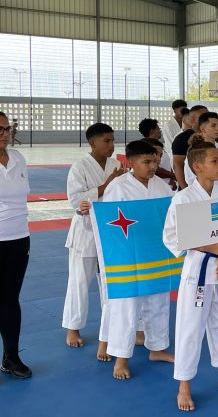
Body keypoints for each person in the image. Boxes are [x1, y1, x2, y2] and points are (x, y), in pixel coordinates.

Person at [163, 135, 218, 411]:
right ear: (197, 167)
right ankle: (184, 387)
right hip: (197, 276)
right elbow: (171, 238)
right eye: (215, 161)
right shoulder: (183, 199)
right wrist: (206, 246)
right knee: (190, 329)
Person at [100, 140, 174, 380]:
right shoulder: (118, 187)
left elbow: (172, 217)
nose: (152, 166)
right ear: (131, 162)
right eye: (146, 162)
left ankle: (157, 348)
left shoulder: (162, 187)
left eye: (155, 161)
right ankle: (121, 358)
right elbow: (109, 223)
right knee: (127, 306)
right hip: (128, 256)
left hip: (156, 253)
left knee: (159, 301)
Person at [62, 123, 127, 357]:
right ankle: (73, 328)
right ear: (93, 143)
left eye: (113, 140)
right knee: (79, 281)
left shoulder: (116, 165)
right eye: (107, 141)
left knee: (109, 284)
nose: (112, 145)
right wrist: (107, 184)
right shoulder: (79, 167)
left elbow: (121, 195)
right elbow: (75, 200)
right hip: (86, 232)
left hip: (111, 230)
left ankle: (109, 331)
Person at [0, 111, 32, 378]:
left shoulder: (18, 158)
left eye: (7, 128)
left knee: (10, 299)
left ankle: (11, 357)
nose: (5, 133)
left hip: (19, 238)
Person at [171, 105, 208, 189]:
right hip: (190, 187)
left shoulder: (213, 136)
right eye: (203, 116)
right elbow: (178, 165)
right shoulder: (182, 139)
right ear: (193, 120)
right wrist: (185, 188)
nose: (206, 119)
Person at [183, 112, 218, 188]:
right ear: (202, 129)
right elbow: (190, 177)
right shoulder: (196, 149)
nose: (217, 129)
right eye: (213, 126)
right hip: (200, 190)